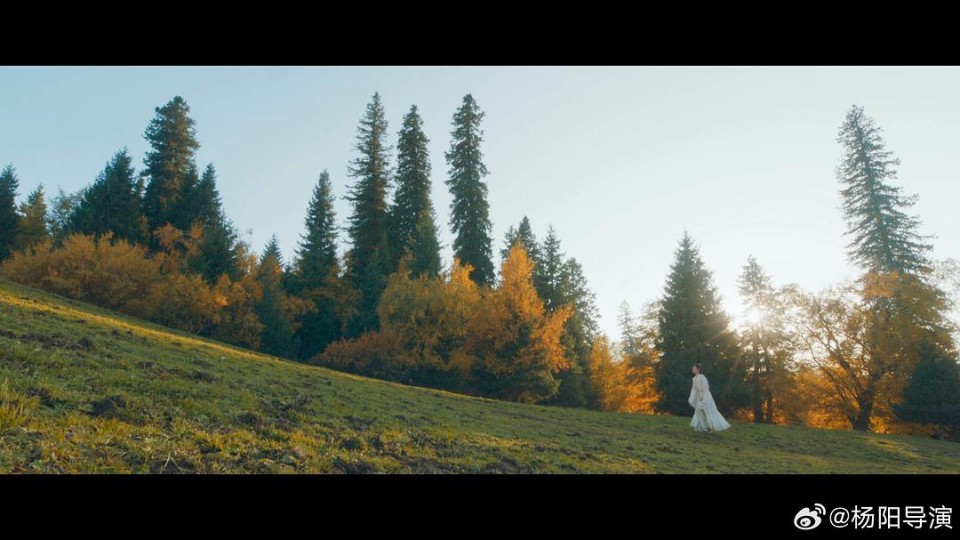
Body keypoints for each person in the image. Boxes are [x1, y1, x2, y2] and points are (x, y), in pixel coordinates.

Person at [689, 363, 731, 432]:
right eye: (693, 368)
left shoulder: (702, 377)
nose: (692, 369)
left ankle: (711, 426)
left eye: (694, 368)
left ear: (698, 369)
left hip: (706, 397)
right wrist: (692, 398)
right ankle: (705, 427)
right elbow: (693, 389)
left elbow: (706, 388)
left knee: (707, 411)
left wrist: (703, 397)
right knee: (698, 411)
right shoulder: (694, 379)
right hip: (699, 397)